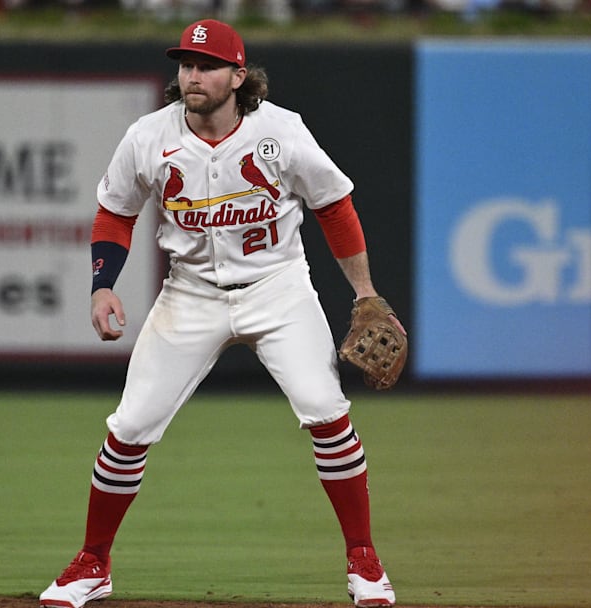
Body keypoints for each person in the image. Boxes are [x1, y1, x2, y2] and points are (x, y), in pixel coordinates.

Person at [38, 18, 405, 608]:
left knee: (324, 409)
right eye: (185, 65)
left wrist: (364, 293)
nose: (192, 75)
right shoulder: (148, 136)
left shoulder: (280, 131)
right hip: (190, 294)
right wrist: (102, 285)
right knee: (129, 427)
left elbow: (334, 205)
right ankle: (93, 564)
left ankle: (364, 560)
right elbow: (114, 213)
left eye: (206, 66)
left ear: (239, 76)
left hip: (277, 288)